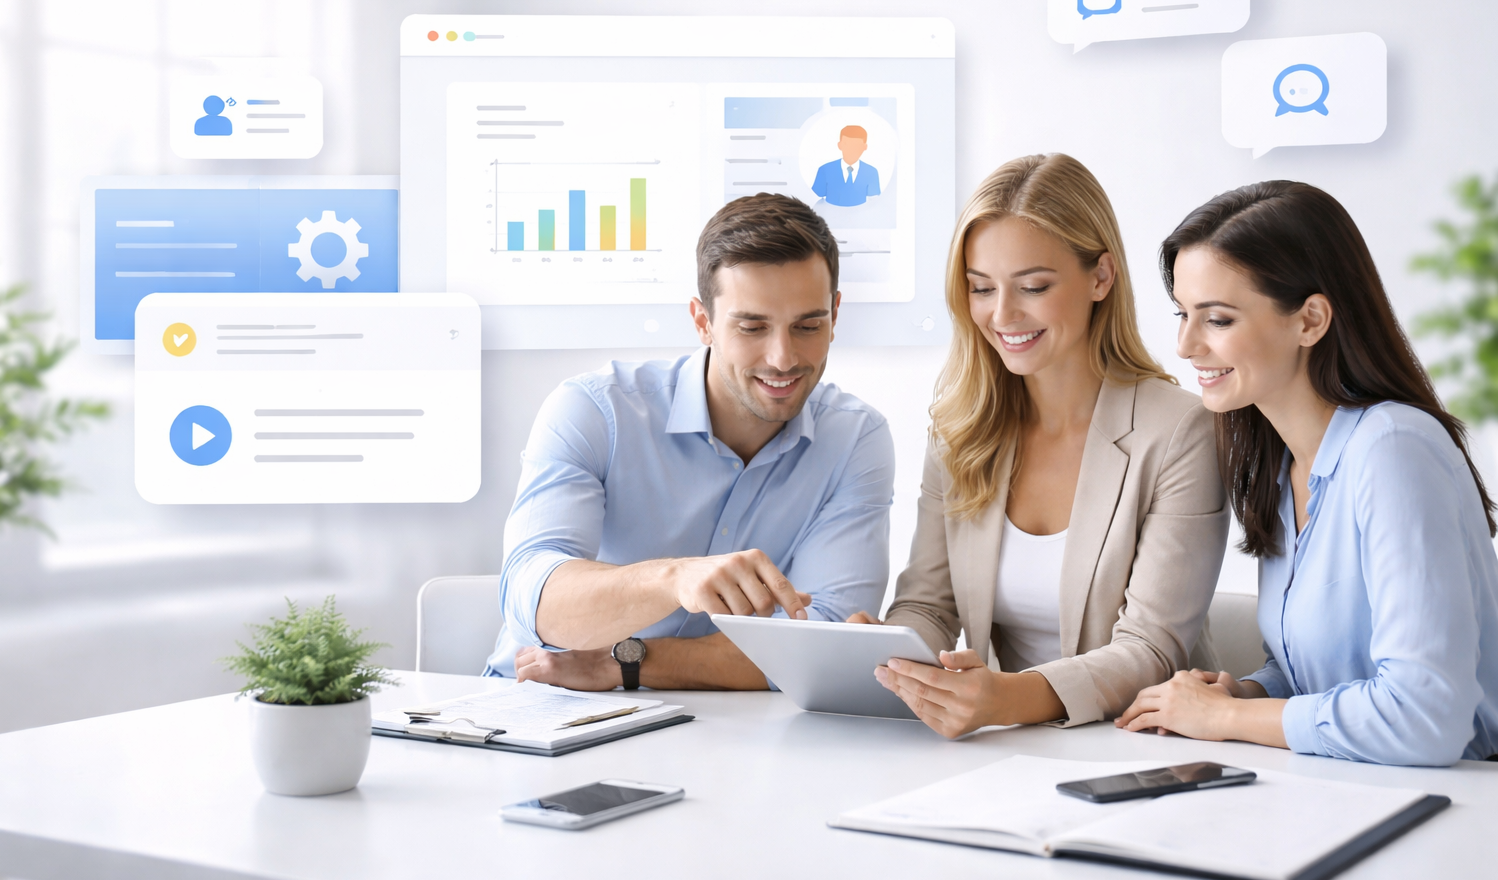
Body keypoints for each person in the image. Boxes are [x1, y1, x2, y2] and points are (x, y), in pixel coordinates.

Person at [1116, 181, 1498, 765]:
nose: (1186, 345)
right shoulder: (1282, 463)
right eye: (1183, 315)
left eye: (1217, 319)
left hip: (1460, 807)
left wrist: (1229, 717)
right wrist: (1248, 691)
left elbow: (1425, 718)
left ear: (1310, 320)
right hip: (1343, 792)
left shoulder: (1393, 448)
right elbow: (1322, 675)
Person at [855, 153, 1228, 738]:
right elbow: (929, 606)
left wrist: (1005, 698)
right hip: (1004, 746)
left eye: (1032, 286)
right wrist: (891, 655)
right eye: (981, 288)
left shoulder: (1181, 431)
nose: (1002, 315)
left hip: (1138, 746)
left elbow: (1151, 649)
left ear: (1100, 278)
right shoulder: (960, 429)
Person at [484, 192, 894, 689]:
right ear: (703, 321)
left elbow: (826, 641)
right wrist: (674, 579)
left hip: (716, 725)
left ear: (835, 315)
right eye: (752, 326)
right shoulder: (596, 411)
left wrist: (627, 662)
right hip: (544, 700)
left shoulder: (855, 439)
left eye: (808, 325)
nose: (783, 357)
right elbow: (533, 598)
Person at [811, 125, 881, 207]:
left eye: (856, 145)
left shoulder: (871, 172)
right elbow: (814, 198)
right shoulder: (825, 170)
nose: (851, 149)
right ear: (839, 145)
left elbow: (875, 202)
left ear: (865, 147)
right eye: (847, 144)